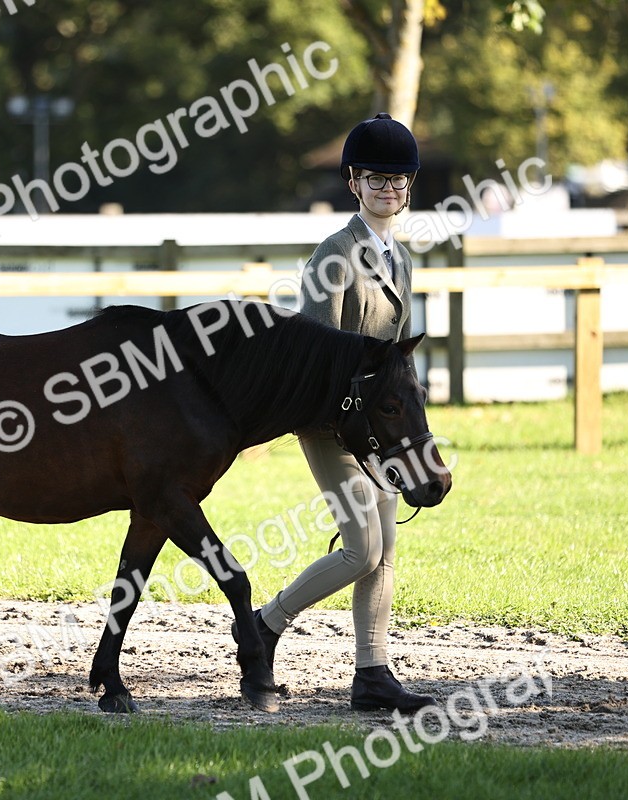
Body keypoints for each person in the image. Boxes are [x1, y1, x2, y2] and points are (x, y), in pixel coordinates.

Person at [241, 112, 435, 714]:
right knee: (361, 550)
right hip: (331, 423)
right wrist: (350, 418)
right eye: (377, 179)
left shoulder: (398, 258)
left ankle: (372, 673)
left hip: (378, 429)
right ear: (354, 183)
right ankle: (263, 625)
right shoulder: (335, 256)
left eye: (399, 181)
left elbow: (397, 356)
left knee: (386, 550)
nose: (389, 190)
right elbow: (315, 350)